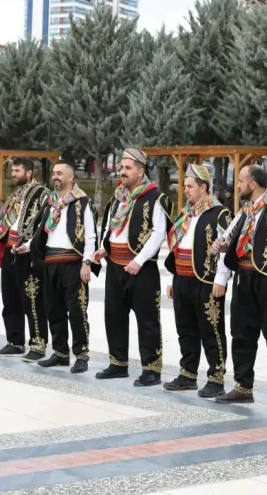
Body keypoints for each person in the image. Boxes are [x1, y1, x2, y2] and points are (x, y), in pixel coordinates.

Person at [215, 165, 267, 412]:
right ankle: (243, 386)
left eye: (240, 181)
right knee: (241, 333)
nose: (237, 185)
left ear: (253, 184)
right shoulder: (245, 211)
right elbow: (238, 241)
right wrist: (223, 255)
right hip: (243, 277)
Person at [92, 148, 171, 387]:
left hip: (141, 267)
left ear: (140, 170)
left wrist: (140, 260)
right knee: (114, 314)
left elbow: (159, 233)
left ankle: (152, 369)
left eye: (127, 168)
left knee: (147, 319)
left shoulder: (155, 197)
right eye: (121, 167)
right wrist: (104, 247)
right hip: (115, 264)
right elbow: (112, 226)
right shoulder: (119, 197)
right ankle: (118, 363)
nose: (122, 172)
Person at [162, 164, 231, 398]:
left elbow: (224, 249)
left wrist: (221, 280)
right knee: (186, 329)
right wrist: (174, 278)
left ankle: (216, 377)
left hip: (206, 280)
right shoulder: (186, 213)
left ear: (204, 187)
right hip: (182, 278)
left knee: (211, 330)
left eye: (190, 186)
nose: (186, 190)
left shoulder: (219, 213)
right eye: (184, 186)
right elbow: (179, 247)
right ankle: (188, 374)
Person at [26, 161, 98, 372]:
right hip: (50, 262)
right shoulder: (50, 202)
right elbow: (40, 233)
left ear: (71, 178)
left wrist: (87, 262)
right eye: (54, 173)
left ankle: (82, 355)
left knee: (77, 311)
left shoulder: (82, 202)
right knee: (53, 310)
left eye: (60, 174)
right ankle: (60, 353)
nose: (55, 177)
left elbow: (91, 235)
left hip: (72, 263)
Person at [0, 157, 48, 358]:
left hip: (27, 253)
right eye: (12, 171)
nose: (13, 174)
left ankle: (38, 345)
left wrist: (31, 245)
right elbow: (11, 221)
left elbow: (43, 225)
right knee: (10, 298)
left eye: (17, 171)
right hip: (9, 250)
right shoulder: (16, 193)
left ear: (29, 172)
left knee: (32, 299)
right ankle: (14, 341)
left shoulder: (42, 193)